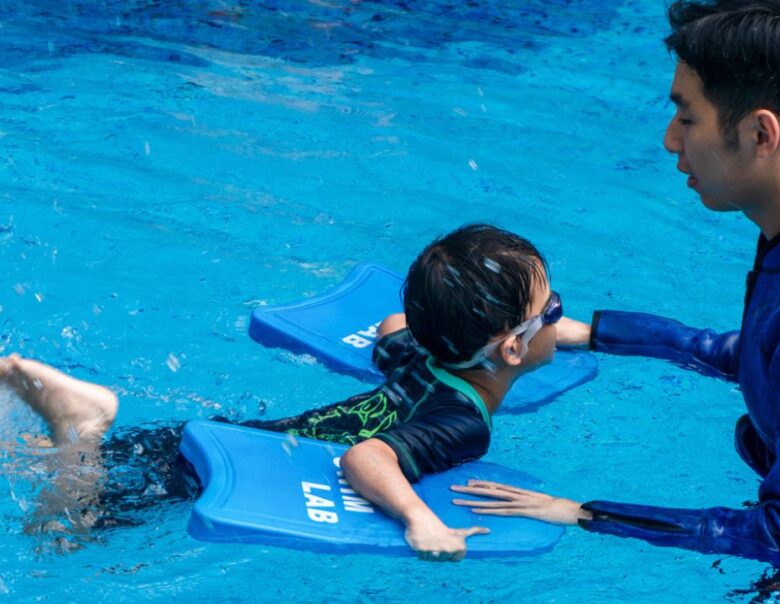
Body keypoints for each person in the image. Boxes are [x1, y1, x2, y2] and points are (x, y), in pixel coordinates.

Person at [453, 0, 780, 570]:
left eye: (687, 118)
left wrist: (581, 513)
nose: (670, 140)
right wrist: (591, 334)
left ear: (761, 133)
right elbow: (767, 354)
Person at [0, 223, 563, 561]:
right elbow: (368, 457)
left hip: (240, 438)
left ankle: (70, 434)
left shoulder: (419, 356)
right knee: (65, 537)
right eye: (554, 311)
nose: (563, 319)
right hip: (227, 474)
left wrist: (533, 324)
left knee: (30, 470)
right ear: (510, 349)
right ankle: (81, 426)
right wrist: (421, 519)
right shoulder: (465, 425)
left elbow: (394, 325)